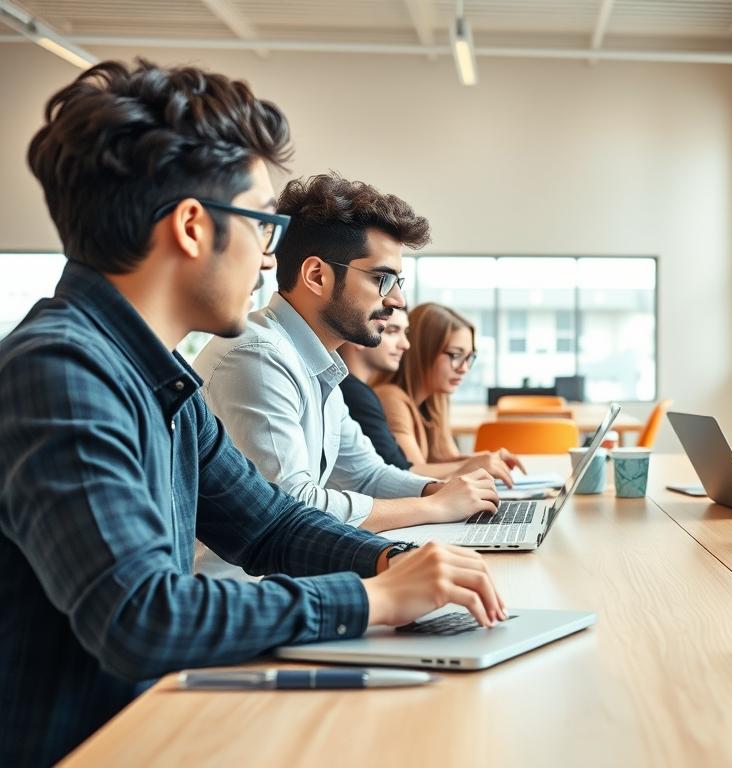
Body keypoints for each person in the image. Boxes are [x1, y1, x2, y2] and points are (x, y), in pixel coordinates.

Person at [0, 60, 505, 767]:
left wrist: (393, 559)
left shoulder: (157, 374)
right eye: (262, 222)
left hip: (159, 721)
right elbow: (141, 616)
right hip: (93, 745)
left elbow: (267, 522)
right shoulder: (60, 371)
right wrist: (374, 601)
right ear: (190, 227)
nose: (271, 256)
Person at [192, 173, 500, 578]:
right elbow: (292, 506)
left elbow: (365, 473)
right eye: (381, 278)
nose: (397, 300)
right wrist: (432, 508)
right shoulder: (257, 357)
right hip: (243, 594)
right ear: (317, 275)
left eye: (398, 281)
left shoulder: (319, 362)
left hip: (296, 580)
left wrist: (436, 490)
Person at [338, 306, 523, 479]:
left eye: (469, 357)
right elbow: (413, 475)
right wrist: (477, 464)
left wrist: (486, 459)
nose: (464, 368)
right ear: (424, 352)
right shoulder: (389, 396)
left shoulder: (434, 401)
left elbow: (444, 459)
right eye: (455, 355)